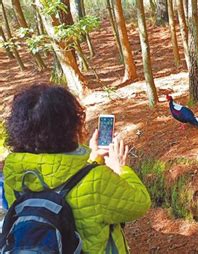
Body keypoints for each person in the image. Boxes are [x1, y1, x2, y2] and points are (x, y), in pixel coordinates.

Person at [2, 83, 151, 253]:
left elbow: (55, 180)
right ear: (70, 126)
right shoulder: (97, 181)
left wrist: (93, 158)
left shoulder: (13, 176)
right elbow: (140, 203)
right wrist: (121, 168)